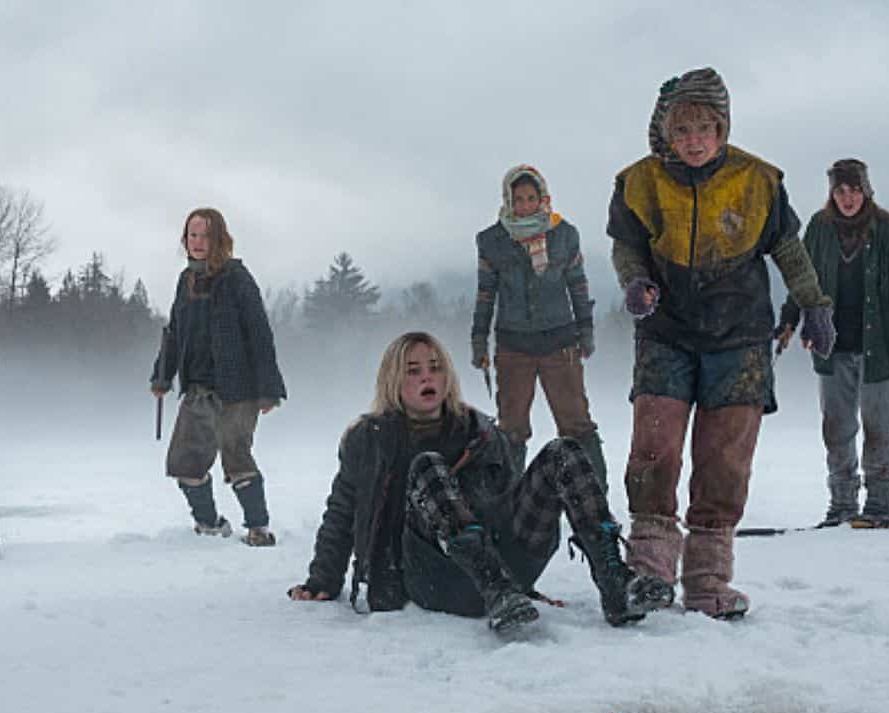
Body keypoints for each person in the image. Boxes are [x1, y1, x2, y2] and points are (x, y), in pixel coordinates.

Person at [608, 68, 833, 619]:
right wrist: (635, 283)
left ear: (722, 127)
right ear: (666, 131)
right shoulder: (639, 182)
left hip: (740, 338)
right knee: (654, 450)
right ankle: (649, 572)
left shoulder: (757, 181)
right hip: (666, 334)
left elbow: (789, 249)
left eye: (704, 127)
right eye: (681, 128)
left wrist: (815, 304)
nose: (693, 139)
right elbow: (627, 247)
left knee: (725, 460)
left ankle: (709, 579)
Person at [288, 331, 672, 633]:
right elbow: (342, 510)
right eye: (413, 370)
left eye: (435, 367)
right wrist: (323, 578)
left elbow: (509, 501)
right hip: (428, 575)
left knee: (564, 452)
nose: (427, 377)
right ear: (393, 380)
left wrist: (525, 584)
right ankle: (495, 590)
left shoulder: (481, 431)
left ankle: (614, 582)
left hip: (506, 563)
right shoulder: (367, 438)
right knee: (428, 466)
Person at [777, 159, 889, 528]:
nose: (847, 198)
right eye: (840, 191)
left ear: (866, 190)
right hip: (832, 347)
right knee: (837, 429)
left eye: (854, 190)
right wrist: (789, 321)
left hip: (881, 350)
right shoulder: (819, 228)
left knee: (880, 429)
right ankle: (841, 504)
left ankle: (879, 506)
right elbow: (802, 280)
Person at [150, 208, 286, 546]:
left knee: (236, 455)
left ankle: (258, 528)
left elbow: (259, 332)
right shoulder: (186, 280)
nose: (198, 242)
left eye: (205, 235)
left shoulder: (236, 277)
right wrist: (162, 376)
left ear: (219, 239)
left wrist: (269, 389)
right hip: (197, 389)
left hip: (237, 390)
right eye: (192, 235)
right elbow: (175, 333)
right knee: (184, 462)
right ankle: (209, 524)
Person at [470, 164, 603, 479]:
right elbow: (486, 293)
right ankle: (510, 503)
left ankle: (594, 502)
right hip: (513, 345)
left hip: (560, 343)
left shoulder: (564, 235)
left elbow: (578, 285)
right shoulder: (492, 241)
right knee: (511, 428)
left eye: (531, 198)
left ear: (542, 197)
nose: (525, 205)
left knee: (576, 423)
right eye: (518, 199)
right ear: (508, 200)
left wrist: (586, 330)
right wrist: (479, 340)